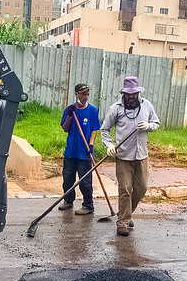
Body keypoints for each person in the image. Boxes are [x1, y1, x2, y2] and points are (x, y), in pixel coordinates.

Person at [100, 76, 159, 236]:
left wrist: (149, 126)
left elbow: (156, 123)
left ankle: (125, 214)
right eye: (129, 95)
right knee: (125, 189)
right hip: (123, 156)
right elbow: (104, 130)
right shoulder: (116, 108)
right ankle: (123, 222)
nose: (132, 97)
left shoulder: (146, 106)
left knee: (141, 189)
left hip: (141, 156)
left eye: (134, 94)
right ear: (124, 94)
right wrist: (109, 145)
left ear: (138, 93)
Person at [58, 83, 101, 215]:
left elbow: (94, 129)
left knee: (85, 181)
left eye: (87, 94)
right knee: (68, 178)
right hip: (71, 151)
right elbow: (65, 128)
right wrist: (70, 115)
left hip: (85, 153)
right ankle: (68, 201)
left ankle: (88, 206)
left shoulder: (92, 110)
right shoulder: (70, 109)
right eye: (83, 94)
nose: (85, 97)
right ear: (76, 94)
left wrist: (91, 144)